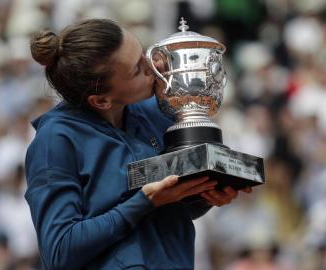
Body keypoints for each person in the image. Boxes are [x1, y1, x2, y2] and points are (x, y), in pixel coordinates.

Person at [25, 18, 251, 270]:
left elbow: (164, 216)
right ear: (101, 100)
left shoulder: (154, 112)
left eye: (143, 52)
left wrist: (204, 194)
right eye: (136, 70)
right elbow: (59, 250)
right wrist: (144, 201)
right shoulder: (56, 140)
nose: (152, 66)